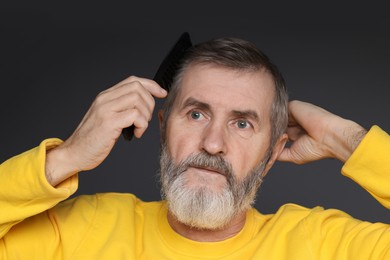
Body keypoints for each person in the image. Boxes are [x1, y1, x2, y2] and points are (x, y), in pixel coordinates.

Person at [0, 36, 389, 259]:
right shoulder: (80, 231)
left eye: (241, 123)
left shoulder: (323, 245)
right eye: (197, 115)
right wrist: (66, 156)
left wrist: (348, 140)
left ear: (272, 154)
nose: (213, 144)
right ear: (164, 128)